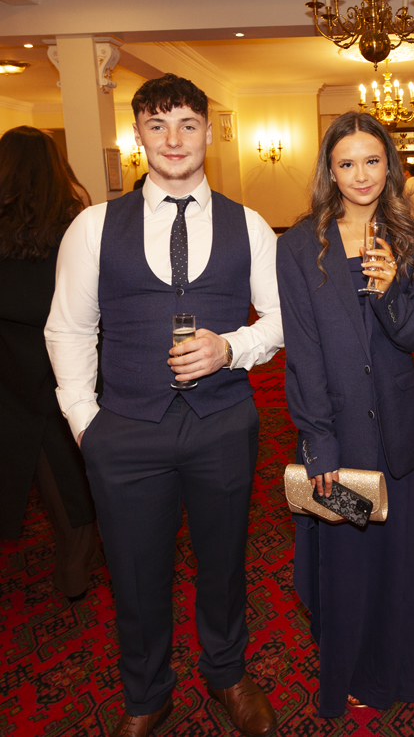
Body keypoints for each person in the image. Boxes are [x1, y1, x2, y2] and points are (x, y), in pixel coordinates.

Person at [45, 74, 283, 737]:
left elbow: (280, 318)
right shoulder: (93, 227)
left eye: (186, 124)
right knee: (134, 573)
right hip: (123, 430)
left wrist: (231, 347)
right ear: (138, 135)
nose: (173, 139)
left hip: (223, 425)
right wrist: (85, 423)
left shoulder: (249, 225)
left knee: (225, 563)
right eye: (157, 125)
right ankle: (147, 694)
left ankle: (227, 673)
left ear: (208, 132)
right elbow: (68, 329)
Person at [276, 111, 414, 718]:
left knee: (397, 564)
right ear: (330, 171)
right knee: (347, 564)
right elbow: (303, 353)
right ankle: (348, 667)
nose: (361, 174)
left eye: (372, 160)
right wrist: (318, 441)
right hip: (337, 436)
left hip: (396, 436)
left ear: (389, 165)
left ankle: (394, 670)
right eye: (347, 163)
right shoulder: (299, 245)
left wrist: (392, 289)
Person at [0, 126, 96, 602]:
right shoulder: (73, 225)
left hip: (11, 364)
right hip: (66, 356)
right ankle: (79, 561)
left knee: (34, 463)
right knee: (73, 461)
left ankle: (74, 560)